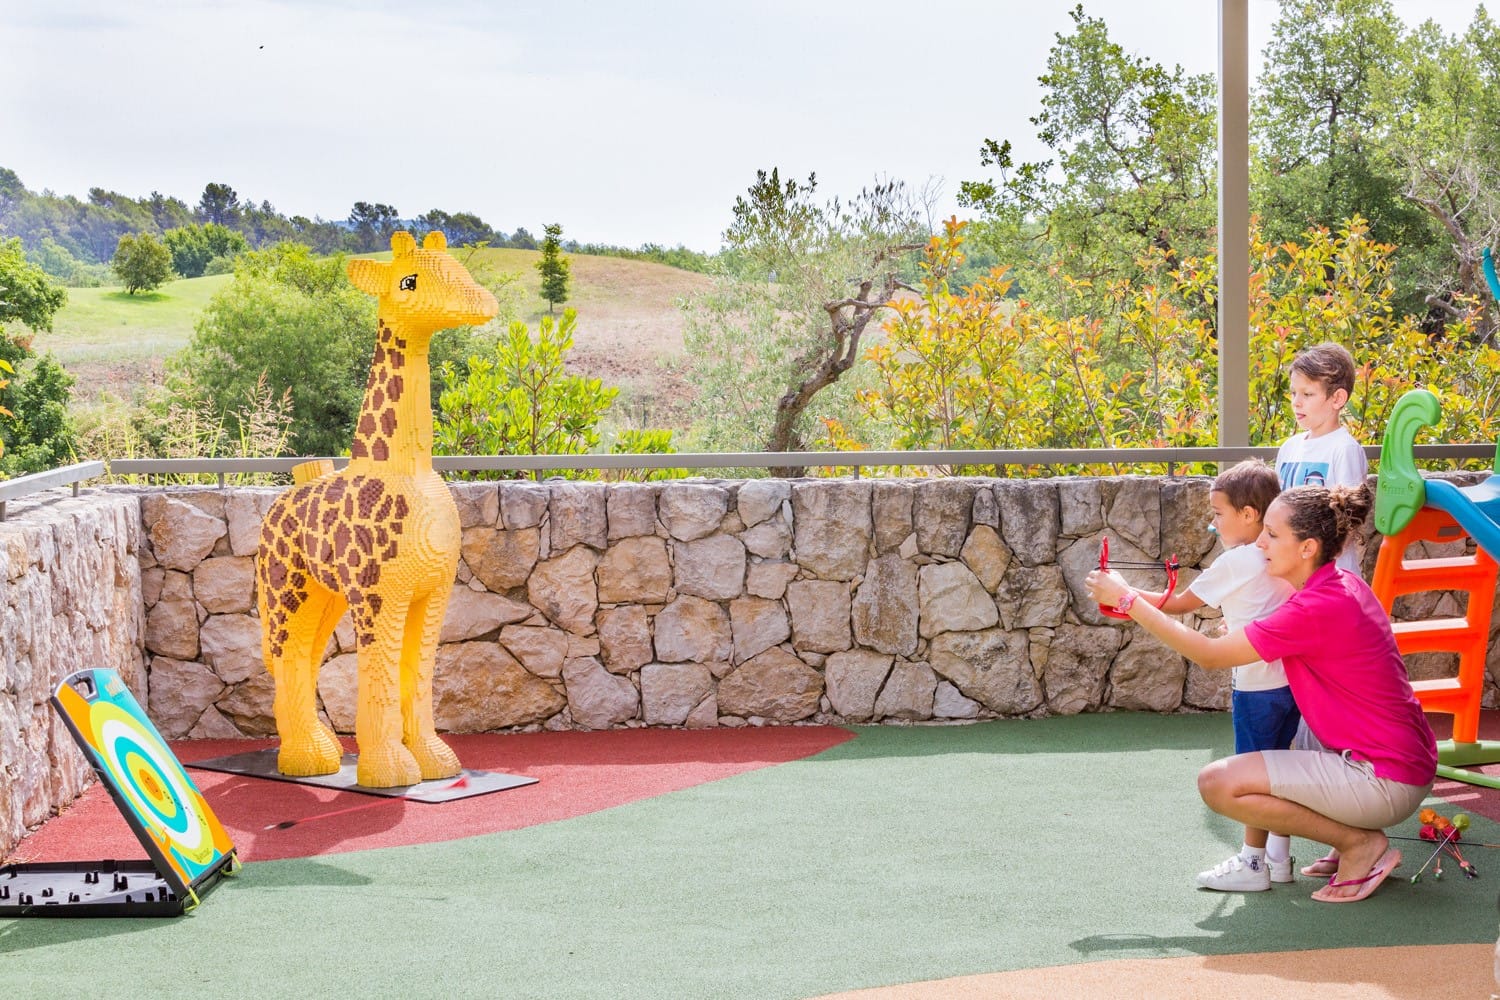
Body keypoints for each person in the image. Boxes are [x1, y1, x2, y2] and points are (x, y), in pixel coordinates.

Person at [1086, 482, 1437, 903]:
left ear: (1307, 548)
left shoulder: (1316, 607)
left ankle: (1358, 843)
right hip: (1401, 763)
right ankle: (1356, 834)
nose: (1261, 543)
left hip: (1382, 780)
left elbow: (1211, 656)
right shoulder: (1337, 585)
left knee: (1219, 783)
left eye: (1272, 534)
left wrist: (1127, 600)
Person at [1133, 460, 1298, 891]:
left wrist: (1123, 592)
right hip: (1290, 683)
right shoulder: (1278, 553)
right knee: (1280, 768)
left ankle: (1253, 863)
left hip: (1256, 687)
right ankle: (1279, 859)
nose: (1213, 522)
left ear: (1248, 515)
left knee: (1250, 776)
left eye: (1218, 513)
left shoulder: (1238, 559)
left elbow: (1179, 603)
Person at [1276, 342, 1367, 574]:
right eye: (1294, 393)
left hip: (1332, 576)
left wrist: (1322, 559)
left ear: (1337, 399)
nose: (1296, 402)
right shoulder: (1289, 448)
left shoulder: (1344, 448)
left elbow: (1350, 516)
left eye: (1307, 394)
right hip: (1295, 573)